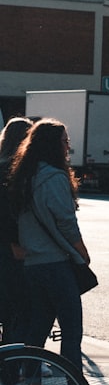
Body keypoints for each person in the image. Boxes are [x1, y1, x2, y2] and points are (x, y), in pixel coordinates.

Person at [6, 119, 90, 375]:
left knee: (38, 328)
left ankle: (32, 382)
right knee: (71, 328)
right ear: (53, 145)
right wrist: (82, 252)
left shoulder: (23, 177)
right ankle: (74, 383)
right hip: (55, 263)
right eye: (65, 141)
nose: (68, 147)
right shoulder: (52, 177)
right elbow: (66, 222)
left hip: (32, 263)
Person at [0, 116, 32, 344]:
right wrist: (14, 242)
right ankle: (13, 364)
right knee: (17, 308)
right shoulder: (15, 171)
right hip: (12, 248)